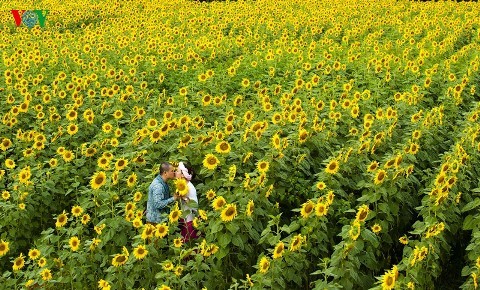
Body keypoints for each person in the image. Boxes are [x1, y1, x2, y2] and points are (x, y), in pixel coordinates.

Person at [176, 161, 199, 242]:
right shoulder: (182, 185)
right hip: (185, 219)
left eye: (177, 171)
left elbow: (194, 206)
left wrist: (184, 198)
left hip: (190, 220)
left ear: (182, 174)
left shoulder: (189, 187)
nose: (176, 172)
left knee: (189, 242)